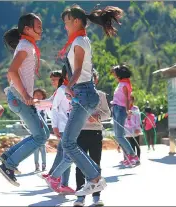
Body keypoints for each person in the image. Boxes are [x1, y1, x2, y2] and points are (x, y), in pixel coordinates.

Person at [46, 4, 123, 196]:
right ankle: (92, 179)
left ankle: (94, 179)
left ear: (76, 21)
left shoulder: (79, 41)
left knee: (69, 143)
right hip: (83, 92)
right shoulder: (79, 40)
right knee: (69, 142)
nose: (65, 26)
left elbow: (79, 69)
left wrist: (69, 87)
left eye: (66, 22)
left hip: (83, 92)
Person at [0, 13, 50, 187]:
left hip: (18, 97)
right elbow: (12, 71)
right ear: (27, 29)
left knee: (43, 134)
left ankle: (7, 157)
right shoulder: (26, 46)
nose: (41, 30)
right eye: (38, 26)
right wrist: (26, 95)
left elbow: (12, 74)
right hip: (20, 98)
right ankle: (9, 166)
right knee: (40, 136)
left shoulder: (28, 45)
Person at [74, 69, 110, 206]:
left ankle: (96, 196)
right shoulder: (77, 94)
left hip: (95, 133)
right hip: (80, 133)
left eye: (92, 78)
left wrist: (98, 117)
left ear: (95, 80)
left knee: (96, 164)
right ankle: (80, 196)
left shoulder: (100, 95)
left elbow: (107, 113)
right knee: (80, 165)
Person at [38, 70, 75, 195]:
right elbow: (53, 107)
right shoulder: (61, 90)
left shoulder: (64, 89)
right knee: (68, 156)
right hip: (65, 127)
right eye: (52, 80)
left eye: (55, 79)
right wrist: (55, 126)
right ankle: (57, 179)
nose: (53, 82)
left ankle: (58, 180)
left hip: (67, 126)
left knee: (65, 155)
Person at [111, 64, 140, 167]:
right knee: (118, 135)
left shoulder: (125, 85)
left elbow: (127, 99)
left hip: (120, 109)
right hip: (115, 108)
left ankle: (133, 155)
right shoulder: (121, 83)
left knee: (119, 135)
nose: (113, 74)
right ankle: (129, 156)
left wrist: (128, 110)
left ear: (119, 74)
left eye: (114, 72)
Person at [33, 88, 48, 172]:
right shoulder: (32, 106)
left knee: (42, 148)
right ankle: (36, 165)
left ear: (43, 96)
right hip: (35, 128)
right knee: (35, 148)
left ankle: (44, 164)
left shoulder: (45, 105)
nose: (38, 96)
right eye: (36, 95)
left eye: (40, 95)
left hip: (43, 129)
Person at [124, 94, 142, 160]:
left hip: (135, 128)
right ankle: (133, 158)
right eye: (127, 100)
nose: (129, 101)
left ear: (133, 100)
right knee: (131, 144)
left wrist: (137, 128)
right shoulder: (124, 108)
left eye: (130, 100)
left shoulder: (135, 108)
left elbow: (138, 118)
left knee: (137, 144)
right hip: (128, 129)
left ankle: (138, 158)